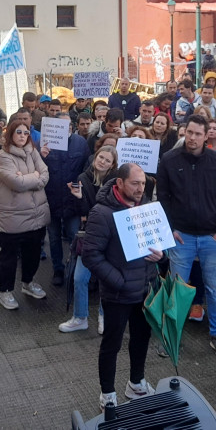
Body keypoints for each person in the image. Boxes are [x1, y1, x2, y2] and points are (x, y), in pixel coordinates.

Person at [82, 164, 163, 410]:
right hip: (118, 293)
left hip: (144, 289)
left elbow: (159, 242)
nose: (141, 189)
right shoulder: (102, 213)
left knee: (141, 338)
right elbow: (91, 256)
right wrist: (119, 281)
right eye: (134, 184)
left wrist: (162, 254)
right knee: (111, 344)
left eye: (143, 183)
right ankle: (107, 394)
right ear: (119, 183)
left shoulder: (146, 206)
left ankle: (136, 383)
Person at [156, 115, 216, 360]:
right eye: (189, 132)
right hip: (182, 237)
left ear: (206, 136)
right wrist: (170, 229)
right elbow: (164, 198)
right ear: (183, 132)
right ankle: (173, 335)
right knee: (178, 290)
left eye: (197, 134)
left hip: (212, 238)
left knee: (214, 289)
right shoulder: (169, 160)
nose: (192, 138)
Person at [0, 118, 50, 309]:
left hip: (36, 215)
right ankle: (4, 292)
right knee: (9, 257)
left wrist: (27, 179)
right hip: (12, 218)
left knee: (32, 253)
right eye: (18, 132)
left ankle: (28, 282)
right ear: (10, 134)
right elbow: (17, 183)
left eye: (26, 133)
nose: (23, 136)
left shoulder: (33, 152)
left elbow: (45, 173)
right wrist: (35, 178)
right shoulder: (3, 156)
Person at [58, 145, 117, 333]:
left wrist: (89, 209)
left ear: (113, 164)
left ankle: (104, 316)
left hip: (109, 236)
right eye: (101, 157)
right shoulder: (83, 178)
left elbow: (107, 209)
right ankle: (80, 317)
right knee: (79, 278)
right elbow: (83, 211)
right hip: (89, 235)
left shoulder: (116, 181)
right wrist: (79, 197)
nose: (103, 162)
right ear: (95, 157)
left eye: (108, 160)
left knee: (105, 280)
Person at [43, 118, 89, 286]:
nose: (64, 128)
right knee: (54, 238)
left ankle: (74, 270)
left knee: (73, 236)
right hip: (52, 199)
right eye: (60, 125)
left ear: (71, 126)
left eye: (67, 125)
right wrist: (41, 155)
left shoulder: (80, 142)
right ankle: (58, 269)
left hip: (72, 201)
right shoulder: (47, 143)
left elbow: (86, 169)